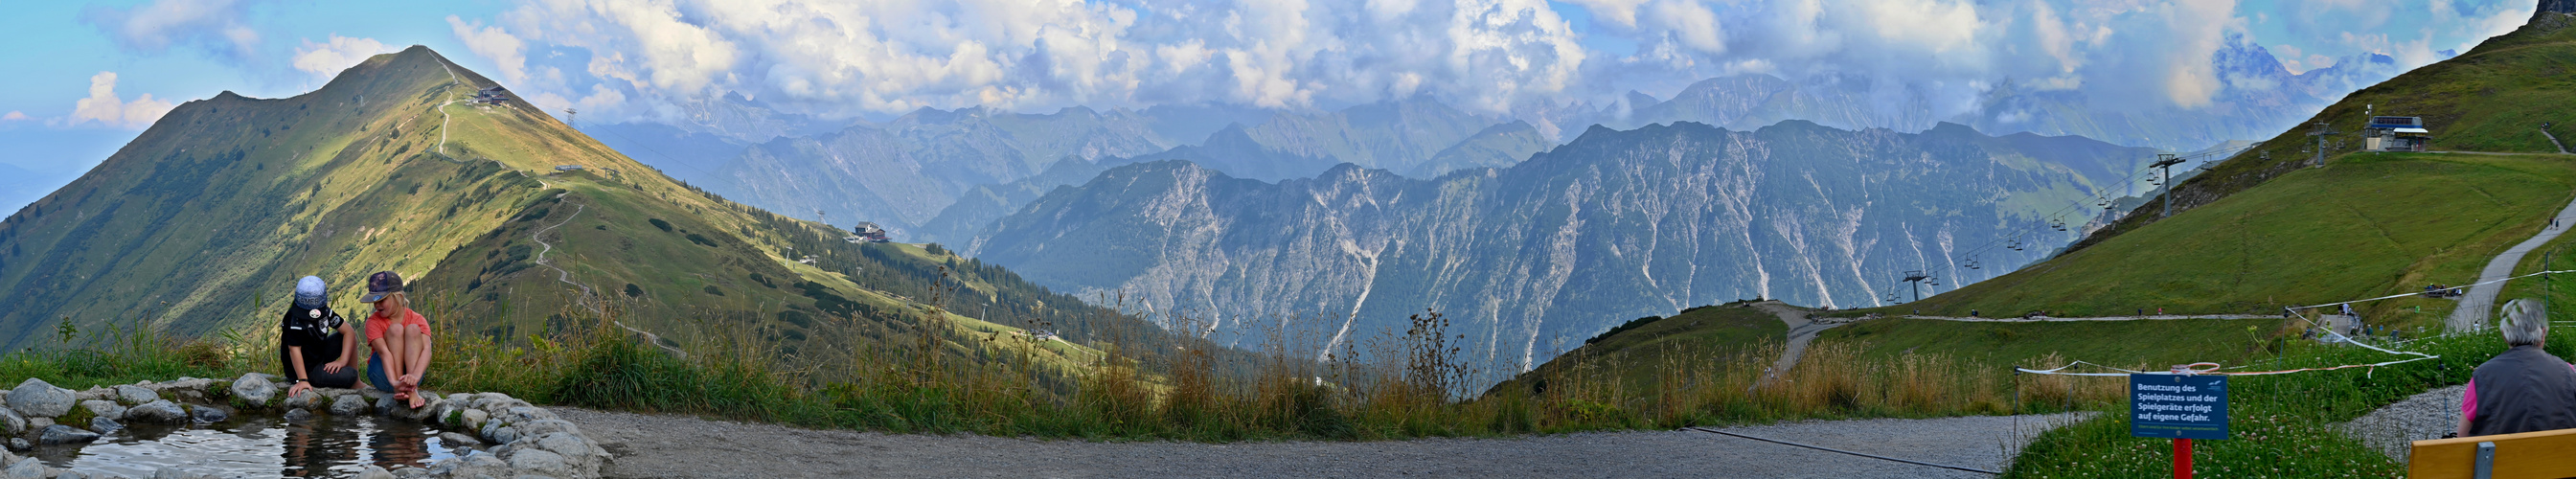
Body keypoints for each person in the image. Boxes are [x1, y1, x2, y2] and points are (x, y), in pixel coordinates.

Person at [2455, 298, 2576, 437]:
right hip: (2559, 457)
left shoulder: (2482, 375)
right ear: (2542, 334)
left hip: (2501, 458)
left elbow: (2462, 436)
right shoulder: (2568, 371)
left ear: (2504, 335)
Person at [360, 271, 435, 409]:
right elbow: (384, 353)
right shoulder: (373, 322)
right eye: (375, 301)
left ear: (398, 297)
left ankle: (412, 390)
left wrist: (415, 379)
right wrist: (395, 383)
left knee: (413, 329)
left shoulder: (417, 319)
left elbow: (426, 350)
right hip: (384, 374)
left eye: (382, 300)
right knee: (396, 329)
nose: (377, 305)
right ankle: (400, 389)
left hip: (413, 375)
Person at [280, 276, 358, 399]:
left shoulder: (325, 312)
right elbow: (294, 350)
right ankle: (350, 379)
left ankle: (356, 383)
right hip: (307, 369)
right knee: (350, 375)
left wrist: (342, 360)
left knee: (347, 339)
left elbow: (349, 332)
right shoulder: (294, 319)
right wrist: (303, 380)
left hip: (318, 354)